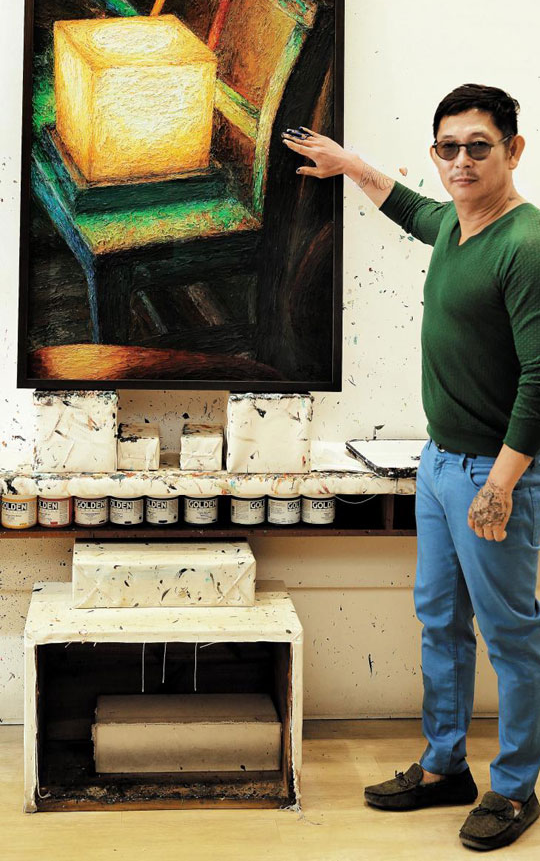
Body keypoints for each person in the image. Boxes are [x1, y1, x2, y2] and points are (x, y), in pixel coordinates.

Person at [282, 84, 540, 851]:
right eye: (447, 148)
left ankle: (516, 787)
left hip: (492, 475)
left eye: (478, 146)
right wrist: (349, 164)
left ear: (513, 150)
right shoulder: (458, 224)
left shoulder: (525, 244)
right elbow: (409, 208)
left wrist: (500, 484)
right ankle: (443, 764)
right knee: (440, 621)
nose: (460, 161)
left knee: (512, 635)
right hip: (437, 464)